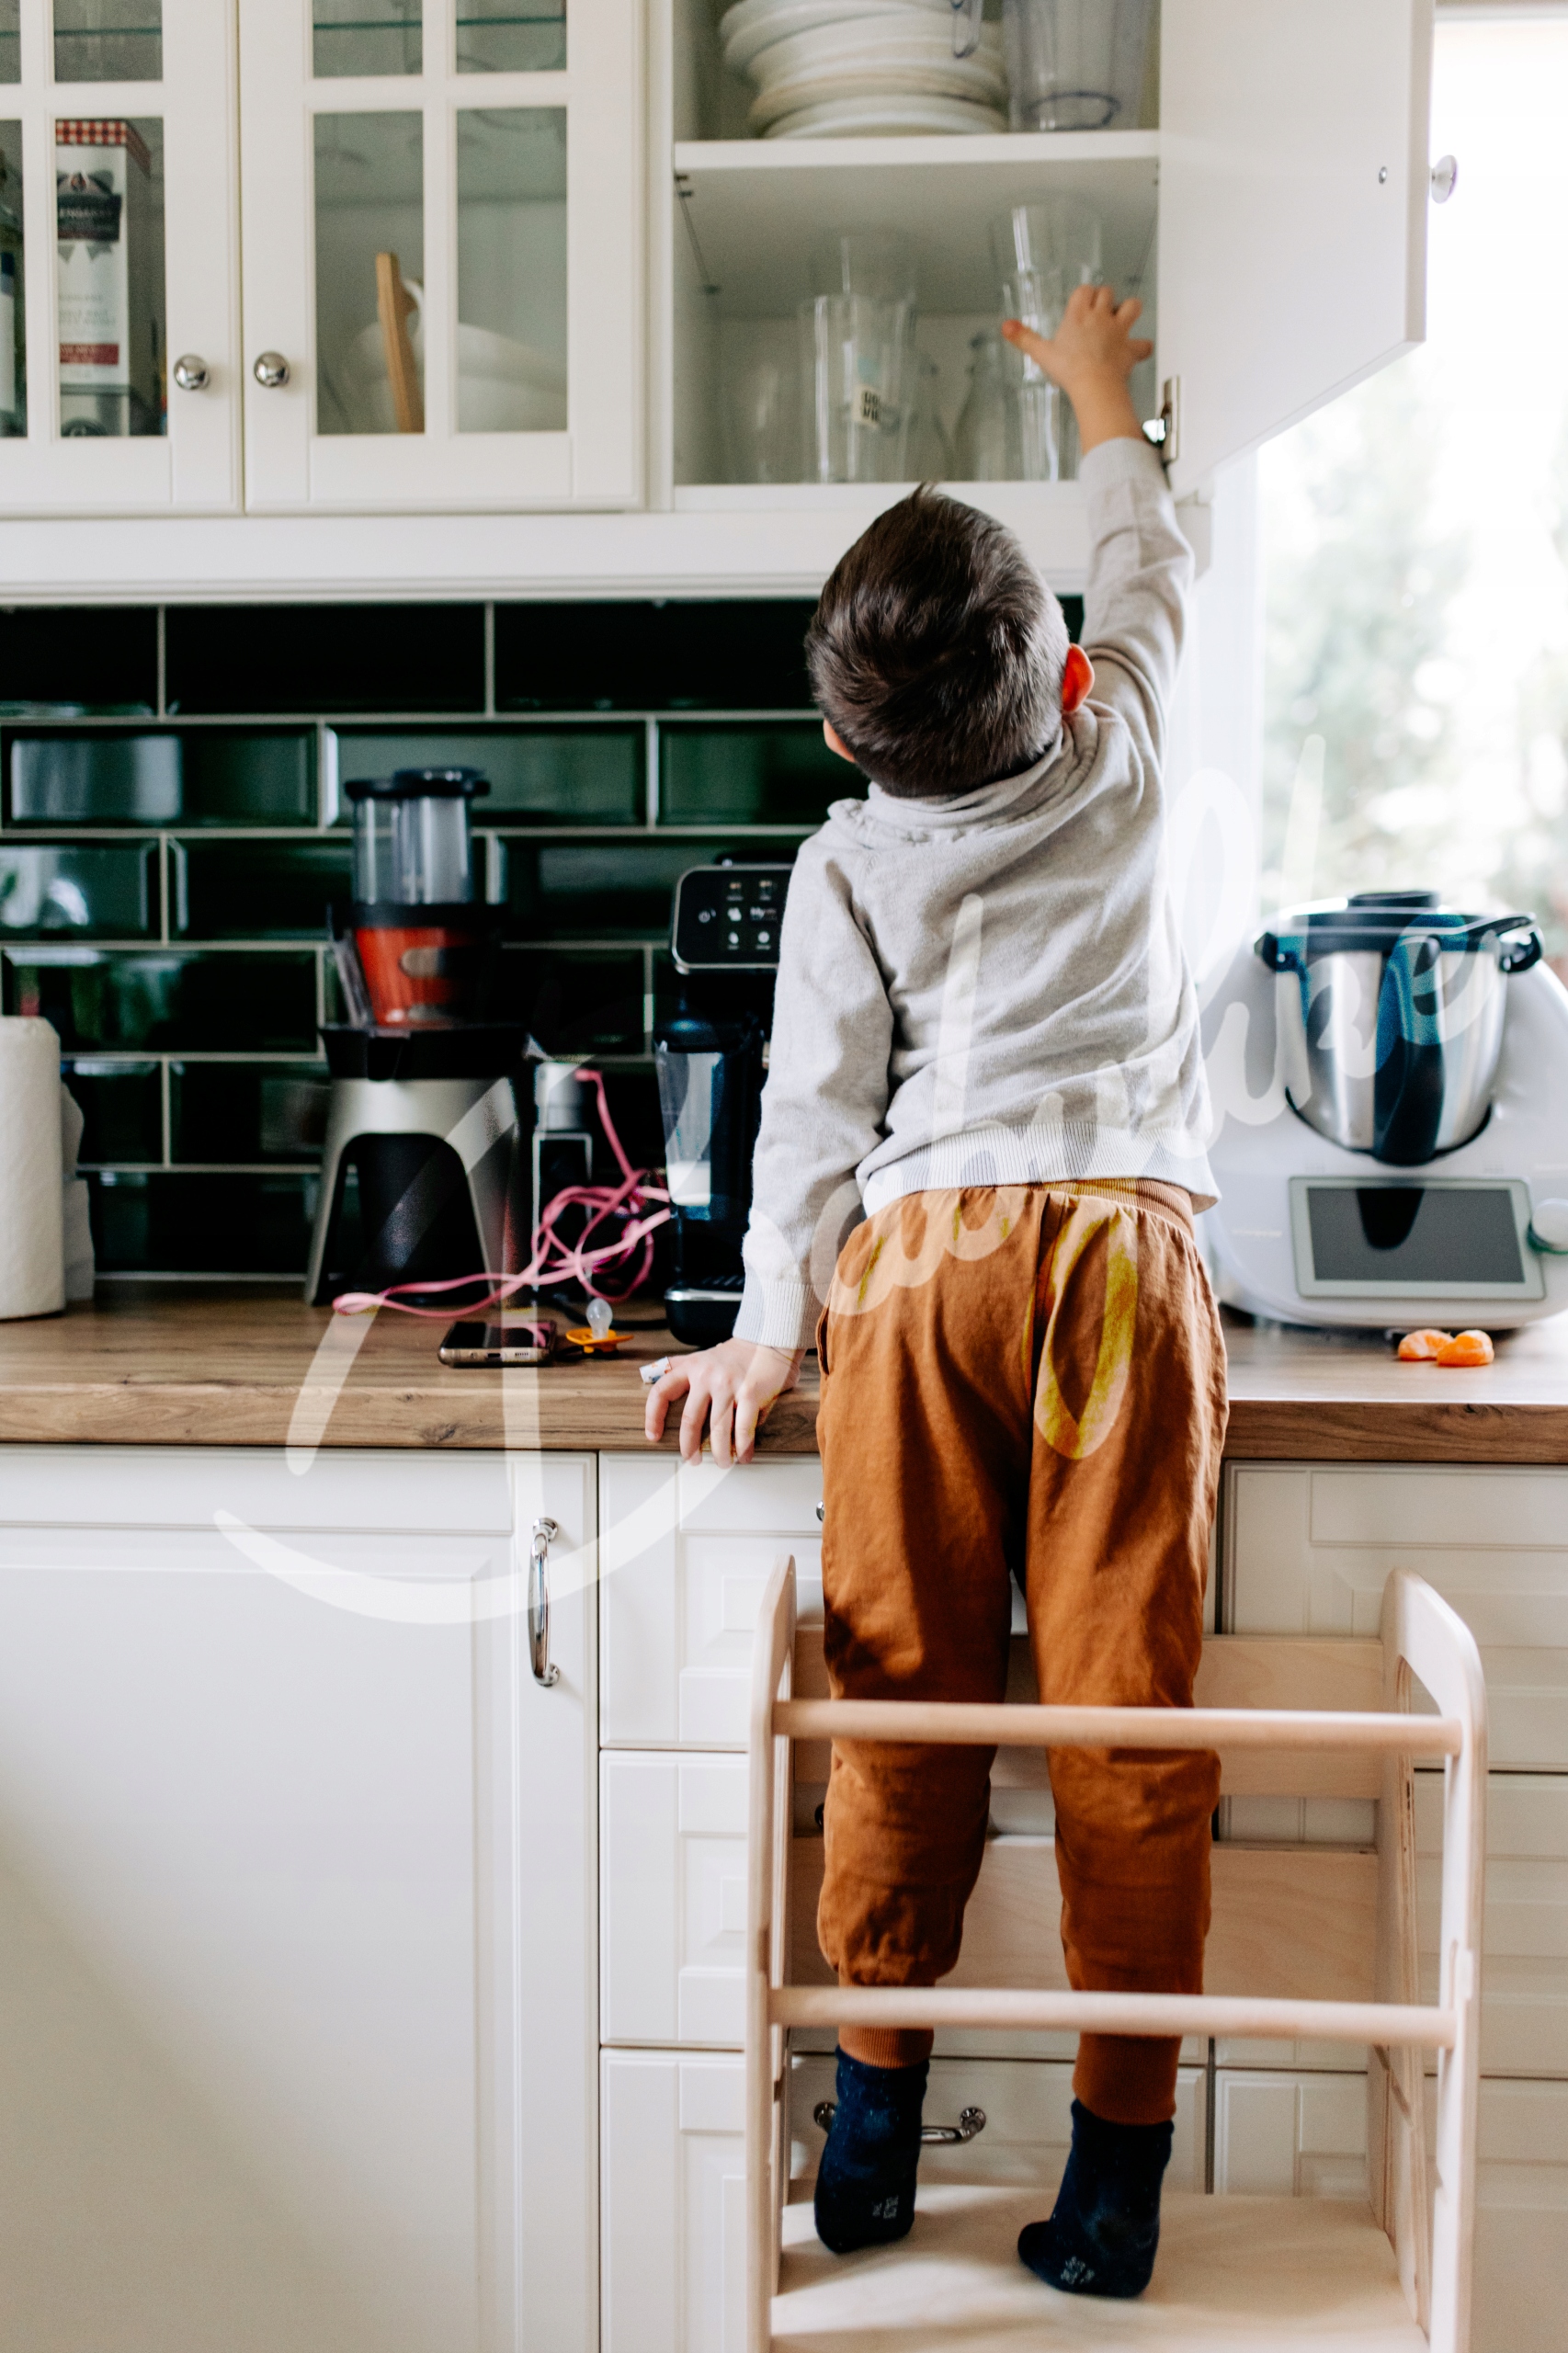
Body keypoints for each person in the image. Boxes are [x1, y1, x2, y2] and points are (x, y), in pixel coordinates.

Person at [643, 283, 1225, 2302]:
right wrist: (1092, 390)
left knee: (906, 1687)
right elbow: (1150, 547)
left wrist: (763, 1330)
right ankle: (1120, 2165)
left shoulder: (842, 867)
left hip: (928, 1272)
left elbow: (807, 1119)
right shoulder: (1126, 735)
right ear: (1061, 670)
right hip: (1123, 1274)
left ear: (835, 736)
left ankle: (874, 2117)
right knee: (1118, 1709)